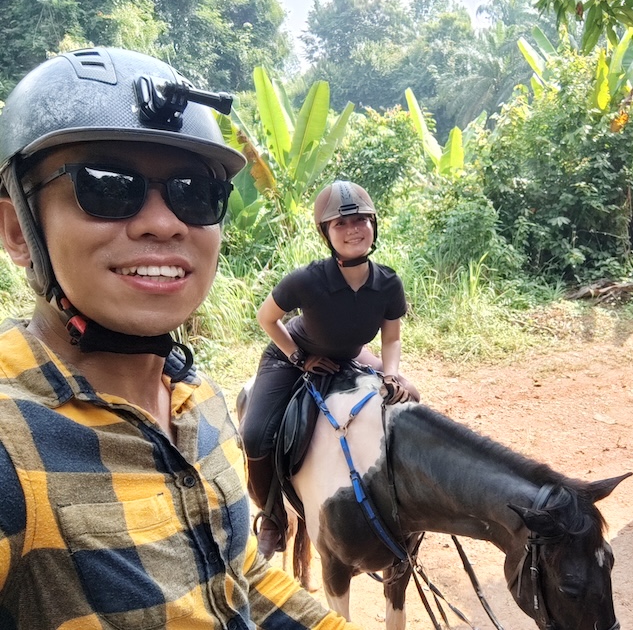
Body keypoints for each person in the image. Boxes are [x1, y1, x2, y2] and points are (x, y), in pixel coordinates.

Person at [0, 46, 359, 629]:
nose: (163, 222)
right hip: (295, 361)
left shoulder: (198, 402)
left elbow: (238, 576)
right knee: (267, 428)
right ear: (19, 232)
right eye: (109, 186)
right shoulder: (10, 445)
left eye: (196, 192)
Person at [240, 180, 420, 560]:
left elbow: (390, 339)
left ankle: (400, 497)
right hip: (291, 355)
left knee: (411, 396)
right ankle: (272, 516)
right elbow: (267, 318)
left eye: (361, 221)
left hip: (351, 354)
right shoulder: (307, 279)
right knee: (256, 435)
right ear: (326, 233)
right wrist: (298, 359)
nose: (353, 230)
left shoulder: (388, 282)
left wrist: (391, 374)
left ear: (374, 224)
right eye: (340, 224)